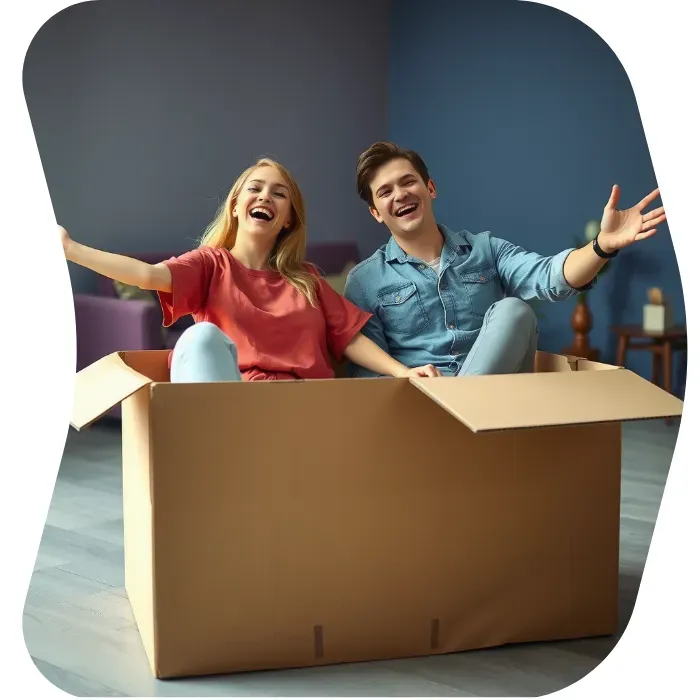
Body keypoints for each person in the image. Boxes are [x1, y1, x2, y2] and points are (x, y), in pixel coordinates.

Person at [60, 157, 442, 382]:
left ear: (288, 219)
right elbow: (147, 276)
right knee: (197, 339)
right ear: (236, 206)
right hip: (235, 405)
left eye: (279, 194)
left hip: (306, 411)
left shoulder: (306, 279)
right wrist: (69, 249)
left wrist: (402, 372)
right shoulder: (211, 264)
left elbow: (350, 339)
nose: (265, 197)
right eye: (255, 189)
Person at [344, 141, 666, 378]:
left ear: (430, 188)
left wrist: (601, 246)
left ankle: (461, 414)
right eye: (385, 192)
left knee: (515, 310)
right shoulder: (365, 280)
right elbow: (369, 372)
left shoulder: (486, 249)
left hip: (492, 405)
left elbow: (549, 275)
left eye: (408, 181)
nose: (399, 194)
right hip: (419, 408)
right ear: (375, 213)